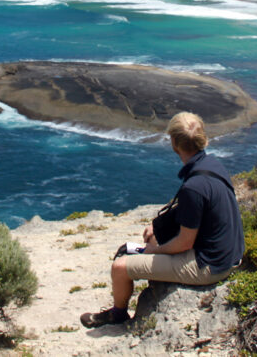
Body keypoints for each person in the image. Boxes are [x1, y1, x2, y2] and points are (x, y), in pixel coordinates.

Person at [80, 111, 245, 328]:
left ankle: (117, 315)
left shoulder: (193, 187)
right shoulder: (213, 166)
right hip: (229, 254)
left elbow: (184, 243)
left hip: (210, 266)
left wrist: (152, 251)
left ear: (174, 143)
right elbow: (194, 210)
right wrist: (156, 226)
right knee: (149, 240)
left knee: (121, 265)